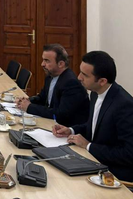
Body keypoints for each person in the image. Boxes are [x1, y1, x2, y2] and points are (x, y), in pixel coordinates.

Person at [53, 51, 133, 181]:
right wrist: (71, 130)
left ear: (102, 81)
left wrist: (88, 145)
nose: (79, 77)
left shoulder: (125, 105)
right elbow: (95, 126)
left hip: (114, 176)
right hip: (93, 161)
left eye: (85, 75)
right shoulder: (95, 93)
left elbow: (128, 154)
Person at [16, 44, 89, 126]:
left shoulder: (71, 83)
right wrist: (26, 101)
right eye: (43, 60)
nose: (42, 64)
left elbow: (61, 114)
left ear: (60, 64)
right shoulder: (50, 76)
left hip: (66, 128)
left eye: (47, 61)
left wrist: (29, 107)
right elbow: (42, 98)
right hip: (51, 123)